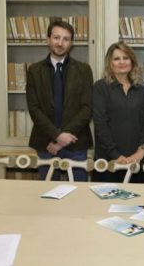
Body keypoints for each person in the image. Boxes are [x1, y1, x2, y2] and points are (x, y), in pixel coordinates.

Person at [26, 20, 93, 181]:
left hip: (75, 142)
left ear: (72, 43)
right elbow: (34, 109)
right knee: (48, 194)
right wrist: (56, 135)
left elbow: (87, 108)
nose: (60, 43)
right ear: (48, 39)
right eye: (56, 37)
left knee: (79, 193)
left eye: (66, 39)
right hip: (45, 142)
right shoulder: (34, 71)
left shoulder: (84, 70)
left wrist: (62, 139)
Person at [92, 42, 144, 183]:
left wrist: (141, 150)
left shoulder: (140, 89)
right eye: (116, 59)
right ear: (110, 63)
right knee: (107, 203)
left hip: (138, 160)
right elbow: (100, 123)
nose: (122, 62)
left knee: (139, 203)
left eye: (125, 58)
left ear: (132, 61)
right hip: (109, 161)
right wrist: (116, 155)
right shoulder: (101, 87)